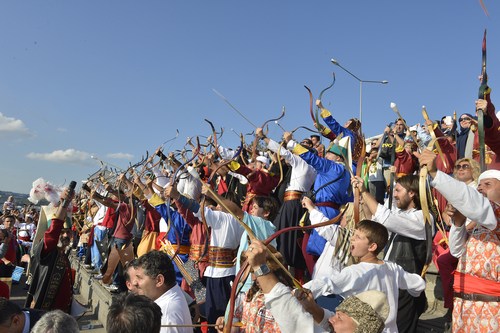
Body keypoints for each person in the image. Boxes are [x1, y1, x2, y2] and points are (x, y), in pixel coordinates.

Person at [419, 149, 499, 333]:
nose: (480, 188)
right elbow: (456, 251)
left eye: (488, 184)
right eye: (479, 185)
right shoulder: (480, 224)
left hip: (491, 309)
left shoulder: (497, 214)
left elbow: (477, 203)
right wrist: (458, 221)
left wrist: (434, 173)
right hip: (464, 307)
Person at [352, 175, 430, 332]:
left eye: (398, 190)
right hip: (389, 281)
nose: (394, 194)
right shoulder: (400, 214)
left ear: (412, 193)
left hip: (406, 286)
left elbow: (387, 219)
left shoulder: (423, 218)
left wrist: (365, 191)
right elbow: (376, 228)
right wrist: (364, 202)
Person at [25, 186, 75, 312]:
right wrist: (65, 203)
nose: (65, 235)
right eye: (62, 232)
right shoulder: (48, 249)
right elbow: (53, 231)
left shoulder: (63, 254)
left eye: (68, 232)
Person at [129, 250, 193, 333]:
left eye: (140, 278)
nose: (134, 283)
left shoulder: (165, 315)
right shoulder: (173, 294)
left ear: (159, 280)